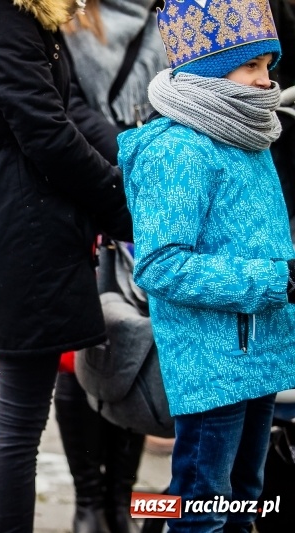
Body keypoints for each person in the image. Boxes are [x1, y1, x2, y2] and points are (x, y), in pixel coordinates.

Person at [0, 1, 134, 532]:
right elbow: (47, 133)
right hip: (23, 224)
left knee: (15, 415)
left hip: (11, 212)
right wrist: (118, 202)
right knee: (18, 418)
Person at [118, 0, 295, 529]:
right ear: (209, 69)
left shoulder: (250, 136)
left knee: (246, 496)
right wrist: (275, 280)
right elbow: (160, 265)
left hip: (260, 349)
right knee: (202, 503)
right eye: (250, 67)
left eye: (268, 66)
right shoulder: (178, 150)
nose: (266, 82)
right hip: (211, 364)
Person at [56, 1, 169, 531]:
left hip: (155, 193)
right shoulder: (64, 15)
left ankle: (121, 501)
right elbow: (67, 106)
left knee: (137, 336)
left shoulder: (163, 14)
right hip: (85, 184)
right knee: (80, 346)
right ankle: (87, 503)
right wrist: (135, 154)